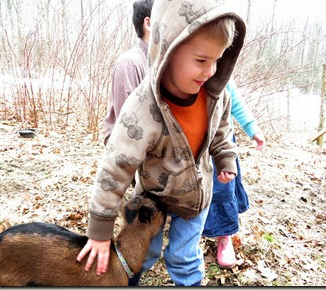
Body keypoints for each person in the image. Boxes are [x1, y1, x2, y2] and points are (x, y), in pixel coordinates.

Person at [77, 0, 247, 286]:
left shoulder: (216, 96)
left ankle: (189, 283)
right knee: (143, 252)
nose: (210, 72)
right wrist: (100, 228)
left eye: (217, 60)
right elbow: (115, 167)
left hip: (196, 196)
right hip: (153, 194)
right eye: (201, 61)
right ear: (167, 50)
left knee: (183, 256)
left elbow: (221, 132)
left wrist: (226, 157)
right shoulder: (142, 108)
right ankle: (130, 280)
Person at [203, 80, 266, 268]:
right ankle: (192, 234)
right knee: (196, 190)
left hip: (222, 142)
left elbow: (237, 103)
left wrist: (253, 130)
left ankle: (224, 238)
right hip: (194, 142)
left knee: (223, 189)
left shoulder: (222, 74)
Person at [103, 0, 153, 146]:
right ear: (148, 23)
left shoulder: (158, 62)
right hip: (129, 156)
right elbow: (127, 126)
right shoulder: (129, 63)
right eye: (164, 19)